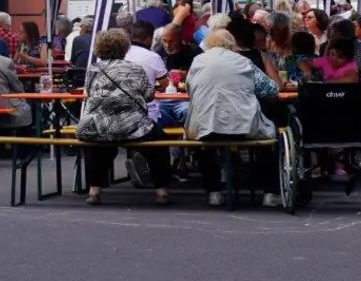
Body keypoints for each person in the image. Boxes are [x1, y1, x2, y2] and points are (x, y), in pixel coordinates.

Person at [75, 29, 172, 206]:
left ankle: (94, 190)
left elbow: (88, 93)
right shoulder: (135, 68)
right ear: (124, 47)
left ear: (99, 48)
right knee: (160, 143)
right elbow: (148, 95)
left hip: (99, 124)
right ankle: (161, 191)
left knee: (97, 146)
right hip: (133, 126)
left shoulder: (93, 69)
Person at [186, 28, 281, 207]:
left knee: (205, 144)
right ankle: (270, 192)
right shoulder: (243, 62)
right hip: (243, 127)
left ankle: (213, 192)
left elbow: (189, 89)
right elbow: (271, 89)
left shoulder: (197, 62)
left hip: (204, 126)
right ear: (232, 44)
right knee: (272, 139)